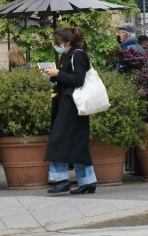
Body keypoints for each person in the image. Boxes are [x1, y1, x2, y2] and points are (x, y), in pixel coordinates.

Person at [42, 26, 97, 195]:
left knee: (59, 140)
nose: (55, 45)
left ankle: (61, 179)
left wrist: (58, 73)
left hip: (74, 104)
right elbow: (66, 79)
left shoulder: (78, 55)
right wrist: (54, 75)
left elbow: (78, 80)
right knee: (76, 143)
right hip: (65, 102)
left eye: (57, 42)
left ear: (67, 42)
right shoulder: (66, 55)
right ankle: (87, 182)